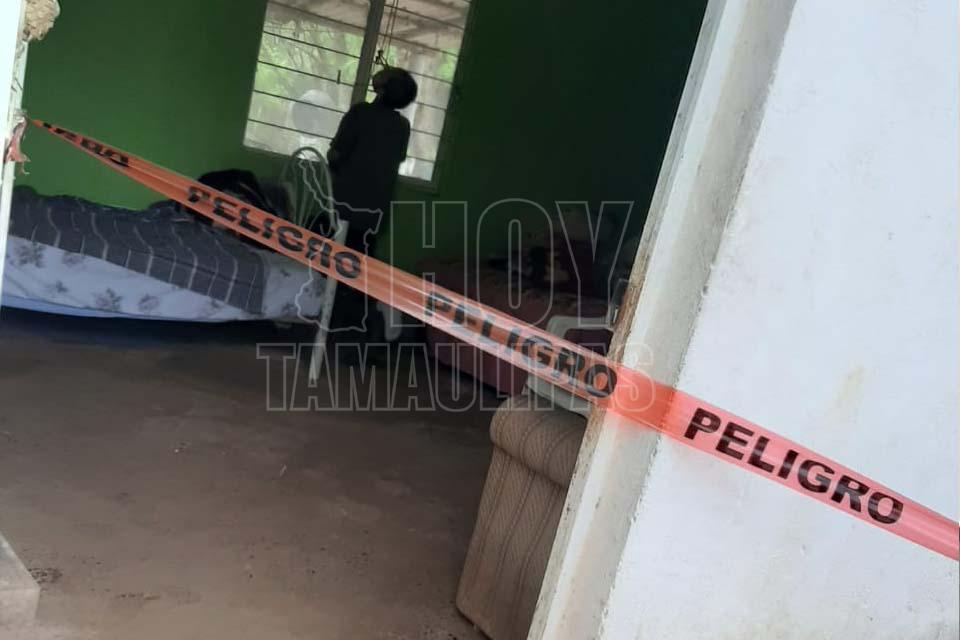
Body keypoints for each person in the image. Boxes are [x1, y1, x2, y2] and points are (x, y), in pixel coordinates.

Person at [322, 67, 417, 341]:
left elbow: (336, 154)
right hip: (375, 211)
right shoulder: (402, 127)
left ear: (382, 88)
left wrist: (337, 165)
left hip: (345, 204)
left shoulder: (360, 114)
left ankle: (329, 325)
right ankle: (355, 329)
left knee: (332, 265)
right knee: (359, 269)